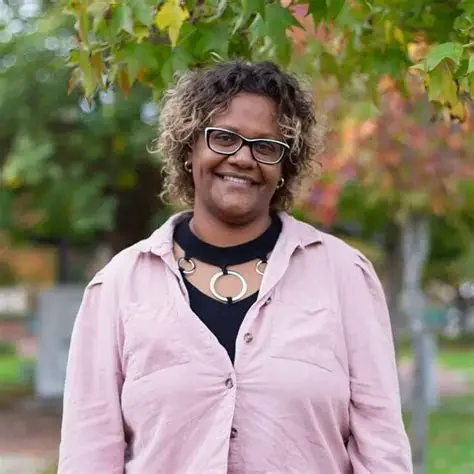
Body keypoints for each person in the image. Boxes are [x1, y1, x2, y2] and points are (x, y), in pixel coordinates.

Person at [58, 61, 413, 473]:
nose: (243, 158)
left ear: (285, 167)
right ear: (189, 149)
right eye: (224, 138)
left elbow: (382, 448)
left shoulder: (345, 275)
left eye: (266, 146)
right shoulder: (118, 287)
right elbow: (88, 455)